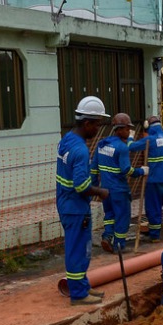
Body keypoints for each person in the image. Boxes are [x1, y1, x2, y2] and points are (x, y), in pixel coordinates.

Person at [57, 96, 111, 305]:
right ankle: (79, 294)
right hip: (75, 207)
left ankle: (83, 286)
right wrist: (101, 191)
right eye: (97, 123)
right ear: (87, 123)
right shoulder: (79, 150)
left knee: (78, 248)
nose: (98, 128)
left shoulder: (67, 139)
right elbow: (81, 186)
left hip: (66, 202)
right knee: (78, 249)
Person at [96, 113, 147, 253]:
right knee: (122, 217)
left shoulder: (102, 144)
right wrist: (142, 171)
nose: (128, 131)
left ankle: (107, 237)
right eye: (126, 129)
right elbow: (126, 170)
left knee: (110, 216)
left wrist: (94, 187)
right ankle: (119, 245)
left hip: (105, 190)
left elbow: (94, 168)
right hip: (119, 190)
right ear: (119, 129)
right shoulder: (121, 147)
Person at [129, 116, 163, 242]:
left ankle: (155, 235)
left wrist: (130, 137)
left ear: (148, 127)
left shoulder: (150, 139)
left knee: (154, 207)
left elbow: (131, 147)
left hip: (155, 181)